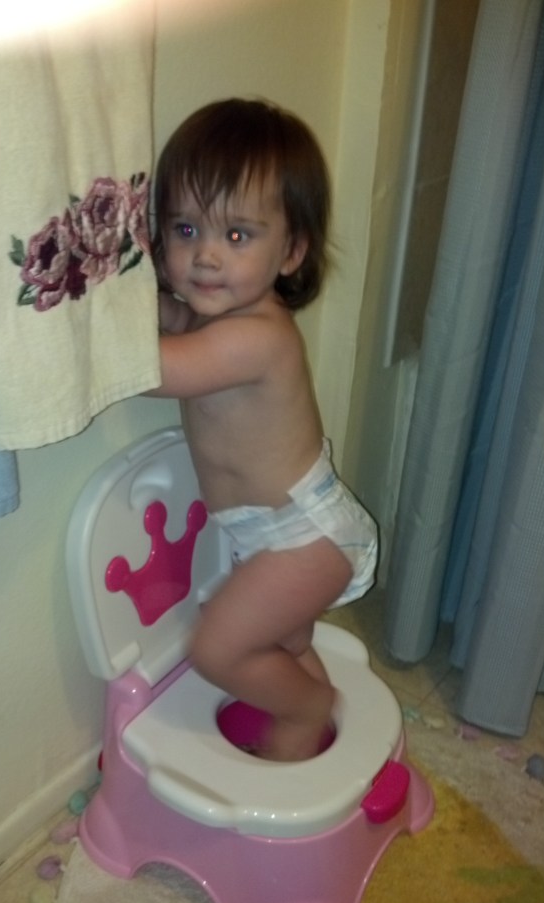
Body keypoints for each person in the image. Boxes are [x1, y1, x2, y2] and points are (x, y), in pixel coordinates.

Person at [147, 98, 378, 762]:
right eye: (185, 229)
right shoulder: (211, 316)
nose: (205, 256)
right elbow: (169, 315)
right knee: (283, 644)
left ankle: (304, 710)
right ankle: (316, 722)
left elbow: (159, 369)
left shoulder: (256, 337)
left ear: (292, 251)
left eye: (237, 236)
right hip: (269, 531)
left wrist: (86, 331)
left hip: (304, 536)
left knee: (218, 648)